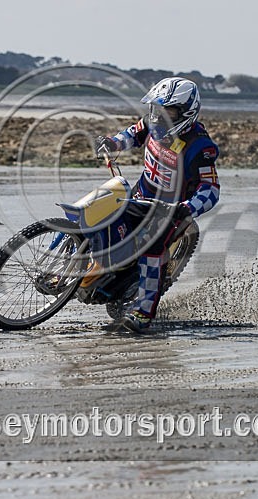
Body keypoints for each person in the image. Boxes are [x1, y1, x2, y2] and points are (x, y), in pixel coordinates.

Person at [94, 77, 221, 332]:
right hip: (140, 197)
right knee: (101, 217)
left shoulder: (200, 147)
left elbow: (211, 189)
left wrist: (188, 207)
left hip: (170, 212)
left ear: (186, 113)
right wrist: (113, 143)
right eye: (156, 109)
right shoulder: (153, 124)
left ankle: (143, 312)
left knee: (152, 253)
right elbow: (132, 133)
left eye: (169, 111)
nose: (160, 116)